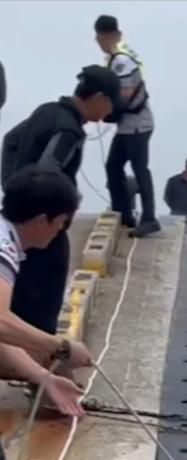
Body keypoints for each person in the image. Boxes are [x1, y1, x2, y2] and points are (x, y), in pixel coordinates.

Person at [0, 167, 93, 460]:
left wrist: (44, 378)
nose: (61, 232)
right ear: (42, 220)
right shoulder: (4, 247)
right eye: (61, 223)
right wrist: (60, 348)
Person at [1, 65, 121, 335]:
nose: (110, 113)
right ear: (99, 98)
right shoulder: (69, 131)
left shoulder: (47, 111)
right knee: (42, 302)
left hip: (19, 221)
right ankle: (42, 350)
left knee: (15, 294)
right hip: (43, 229)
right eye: (111, 104)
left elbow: (10, 141)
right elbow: (47, 173)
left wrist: (12, 186)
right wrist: (62, 204)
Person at [95, 14, 160, 238]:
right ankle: (123, 212)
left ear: (103, 38)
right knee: (113, 166)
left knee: (140, 169)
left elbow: (125, 95)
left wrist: (106, 110)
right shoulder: (116, 58)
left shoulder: (122, 61)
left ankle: (149, 218)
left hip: (137, 126)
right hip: (127, 126)